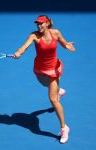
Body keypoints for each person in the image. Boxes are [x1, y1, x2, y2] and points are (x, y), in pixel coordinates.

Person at [13, 15, 75, 144]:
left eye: (41, 23)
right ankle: (58, 90)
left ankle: (64, 128)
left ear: (47, 24)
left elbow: (63, 42)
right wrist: (19, 52)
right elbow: (24, 46)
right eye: (37, 24)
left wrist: (67, 45)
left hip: (53, 69)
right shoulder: (34, 35)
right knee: (43, 84)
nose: (39, 26)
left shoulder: (56, 32)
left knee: (52, 98)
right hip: (40, 69)